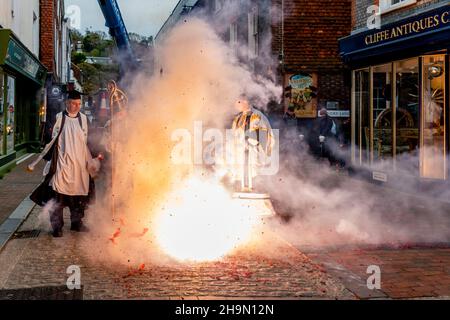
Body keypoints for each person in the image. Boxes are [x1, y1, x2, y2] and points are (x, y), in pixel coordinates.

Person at [29, 90, 101, 237]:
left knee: (78, 197)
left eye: (79, 104)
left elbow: (90, 141)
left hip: (80, 165)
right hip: (62, 163)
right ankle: (57, 226)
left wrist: (95, 157)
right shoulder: (59, 117)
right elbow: (49, 139)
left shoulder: (84, 119)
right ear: (67, 103)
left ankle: (76, 223)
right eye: (74, 103)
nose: (77, 106)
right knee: (58, 197)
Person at [231, 97, 274, 192]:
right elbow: (233, 134)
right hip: (241, 147)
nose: (237, 105)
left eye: (239, 102)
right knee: (241, 165)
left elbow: (265, 131)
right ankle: (243, 186)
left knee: (253, 167)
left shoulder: (257, 115)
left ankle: (255, 187)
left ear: (246, 101)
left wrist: (256, 141)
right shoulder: (238, 118)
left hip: (254, 147)